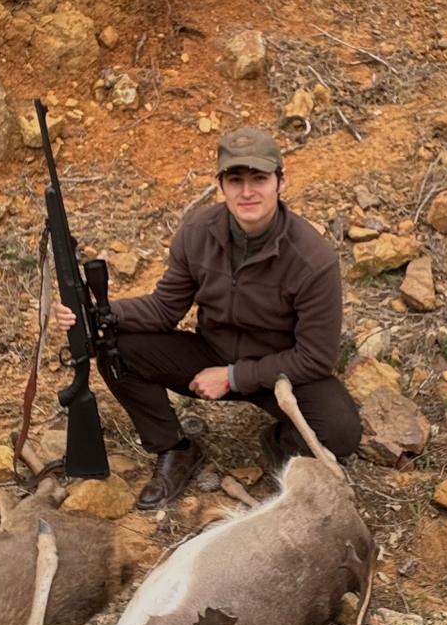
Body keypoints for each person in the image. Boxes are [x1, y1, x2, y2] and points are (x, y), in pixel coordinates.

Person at [55, 126, 360, 509]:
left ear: (281, 182)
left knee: (340, 431)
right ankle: (175, 447)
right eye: (235, 180)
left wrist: (233, 377)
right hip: (211, 352)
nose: (247, 192)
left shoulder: (314, 259)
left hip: (279, 372)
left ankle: (279, 443)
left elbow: (316, 357)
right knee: (116, 347)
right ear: (220, 184)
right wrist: (98, 313)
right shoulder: (197, 232)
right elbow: (164, 308)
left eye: (259, 179)